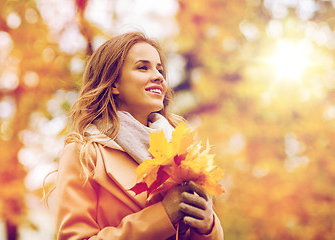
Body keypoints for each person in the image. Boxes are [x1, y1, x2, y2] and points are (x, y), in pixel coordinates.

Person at [55, 31, 224, 240]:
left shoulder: (181, 150)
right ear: (114, 83)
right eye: (143, 67)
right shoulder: (83, 154)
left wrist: (208, 227)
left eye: (159, 69)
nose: (158, 76)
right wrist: (163, 215)